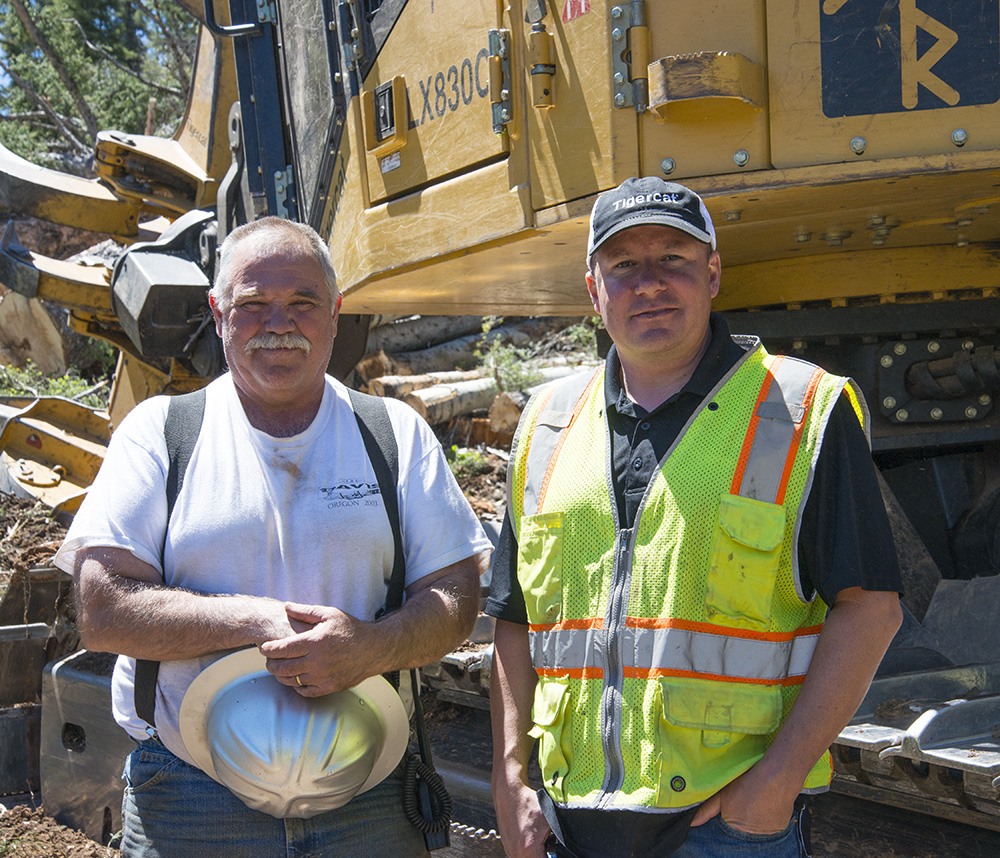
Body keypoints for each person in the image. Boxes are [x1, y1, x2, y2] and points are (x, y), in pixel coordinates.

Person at [486, 177, 903, 858]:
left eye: (673, 259)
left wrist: (776, 782)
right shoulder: (548, 423)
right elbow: (514, 613)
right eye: (623, 266)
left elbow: (872, 608)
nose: (648, 283)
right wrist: (508, 777)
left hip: (725, 829)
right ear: (594, 290)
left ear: (712, 274)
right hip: (566, 825)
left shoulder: (799, 410)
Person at [54, 217, 493, 857]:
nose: (277, 323)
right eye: (253, 304)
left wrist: (370, 648)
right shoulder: (161, 434)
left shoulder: (392, 434)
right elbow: (103, 611)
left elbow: (455, 594)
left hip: (366, 795)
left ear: (335, 313)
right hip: (193, 798)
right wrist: (263, 622)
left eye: (302, 303)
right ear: (219, 314)